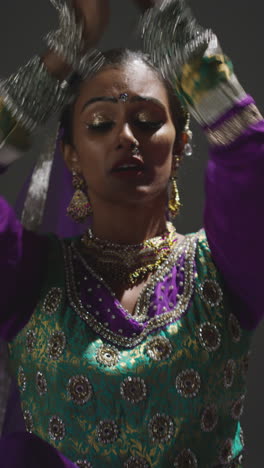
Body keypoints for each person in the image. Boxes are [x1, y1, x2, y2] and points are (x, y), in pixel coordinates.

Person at [0, 0, 263, 466]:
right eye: (101, 123)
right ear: (71, 154)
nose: (126, 136)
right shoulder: (28, 276)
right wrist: (64, 50)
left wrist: (171, 29)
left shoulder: (226, 270)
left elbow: (251, 157)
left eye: (147, 121)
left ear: (181, 143)